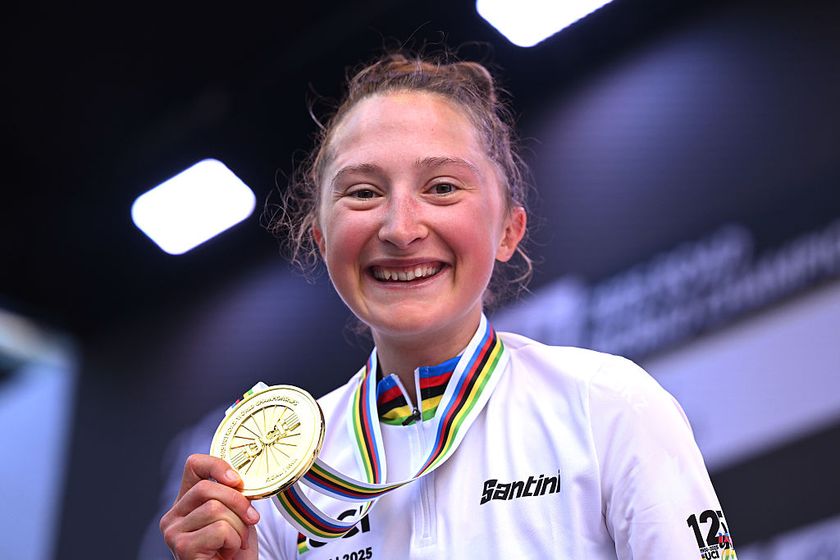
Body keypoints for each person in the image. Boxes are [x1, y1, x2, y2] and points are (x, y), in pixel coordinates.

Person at [160, 52, 737, 559]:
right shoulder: (282, 477)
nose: (400, 228)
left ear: (508, 230)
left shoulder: (605, 404)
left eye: (441, 187)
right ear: (320, 238)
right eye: (362, 192)